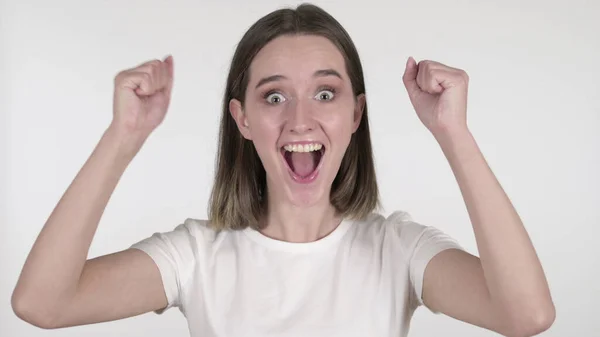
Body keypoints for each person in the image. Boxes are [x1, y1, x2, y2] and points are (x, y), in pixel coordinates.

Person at [11, 3, 555, 337]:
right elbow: (42, 304)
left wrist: (453, 133)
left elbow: (526, 316)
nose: (300, 118)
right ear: (242, 118)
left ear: (356, 113)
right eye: (274, 97)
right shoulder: (195, 257)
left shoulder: (399, 250)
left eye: (325, 92)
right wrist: (122, 138)